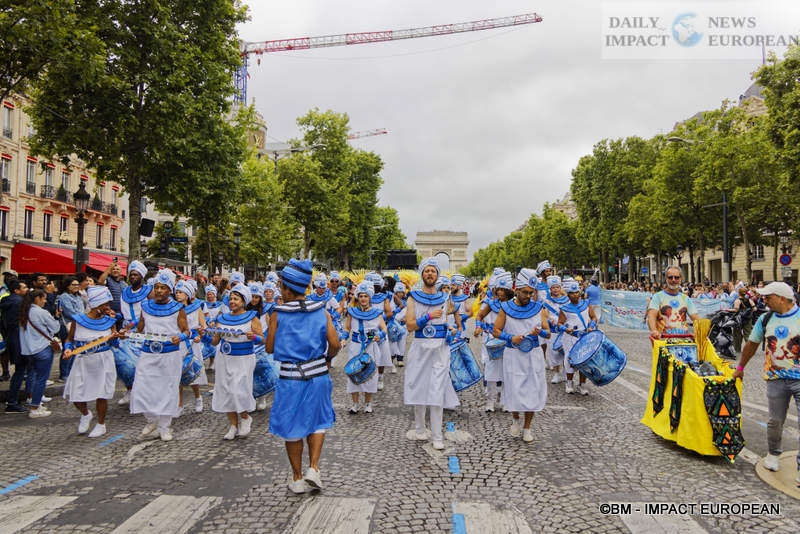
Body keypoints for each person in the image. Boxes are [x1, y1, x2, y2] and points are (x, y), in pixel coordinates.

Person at [266, 259, 341, 494]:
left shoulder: (278, 314)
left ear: (288, 288)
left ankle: (297, 478)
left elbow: (269, 348)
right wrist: (327, 360)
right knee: (318, 422)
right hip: (319, 374)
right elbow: (336, 344)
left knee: (291, 427)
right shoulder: (321, 311)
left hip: (291, 377)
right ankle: (314, 468)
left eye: (281, 286)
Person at [732, 281, 800, 482]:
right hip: (775, 379)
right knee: (775, 421)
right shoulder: (765, 319)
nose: (764, 300)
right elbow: (751, 346)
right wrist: (740, 368)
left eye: (767, 297)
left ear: (781, 298)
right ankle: (773, 453)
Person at [404, 258, 459, 450]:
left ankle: (437, 436)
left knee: (437, 390)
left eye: (433, 271)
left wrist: (451, 331)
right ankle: (420, 429)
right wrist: (428, 316)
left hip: (440, 350)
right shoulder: (412, 297)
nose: (430, 274)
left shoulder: (445, 298)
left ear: (437, 275)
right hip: (420, 347)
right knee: (419, 387)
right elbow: (409, 325)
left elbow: (449, 323)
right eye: (427, 271)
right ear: (422, 274)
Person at [130, 269, 189, 442]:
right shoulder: (145, 306)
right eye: (157, 287)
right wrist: (129, 332)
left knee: (168, 390)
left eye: (163, 288)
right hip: (148, 353)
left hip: (169, 355)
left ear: (170, 290)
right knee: (143, 387)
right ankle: (151, 420)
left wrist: (181, 337)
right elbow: (140, 327)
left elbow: (186, 331)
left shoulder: (178, 308)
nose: (159, 291)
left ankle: (164, 426)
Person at [493, 269, 549, 442]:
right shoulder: (505, 308)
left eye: (531, 293)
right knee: (513, 389)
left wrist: (540, 331)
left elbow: (547, 333)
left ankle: (527, 428)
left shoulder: (539, 308)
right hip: (513, 355)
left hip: (533, 355)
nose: (528, 296)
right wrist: (511, 338)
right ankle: (516, 419)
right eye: (525, 292)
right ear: (517, 289)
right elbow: (496, 331)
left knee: (533, 390)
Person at [61, 286, 120, 437]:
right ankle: (86, 414)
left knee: (102, 394)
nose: (107, 308)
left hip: (103, 360)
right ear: (95, 304)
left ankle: (101, 424)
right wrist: (67, 348)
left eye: (108, 304)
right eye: (104, 304)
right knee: (75, 394)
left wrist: (115, 337)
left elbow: (115, 345)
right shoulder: (78, 320)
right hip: (82, 360)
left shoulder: (110, 321)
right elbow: (70, 339)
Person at [210, 283, 259, 439]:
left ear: (243, 301)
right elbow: (215, 341)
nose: (232, 301)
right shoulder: (222, 318)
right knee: (226, 392)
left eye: (236, 299)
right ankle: (233, 426)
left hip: (244, 359)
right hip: (224, 358)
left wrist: (255, 337)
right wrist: (204, 334)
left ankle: (245, 417)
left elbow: (263, 339)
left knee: (238, 391)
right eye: (231, 299)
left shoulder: (252, 317)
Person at [343, 281, 385, 414]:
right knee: (353, 373)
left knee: (370, 375)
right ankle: (355, 404)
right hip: (355, 346)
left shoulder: (377, 312)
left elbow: (384, 328)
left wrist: (380, 335)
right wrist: (344, 339)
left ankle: (368, 403)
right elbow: (347, 327)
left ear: (369, 297)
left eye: (365, 296)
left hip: (371, 346)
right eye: (360, 296)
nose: (363, 299)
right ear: (357, 297)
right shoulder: (352, 312)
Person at [474, 270, 513, 412]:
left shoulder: (515, 305)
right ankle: (490, 401)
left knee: (507, 372)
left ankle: (505, 400)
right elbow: (479, 316)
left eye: (503, 289)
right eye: (499, 289)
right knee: (491, 372)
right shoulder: (491, 303)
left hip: (508, 341)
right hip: (493, 341)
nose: (500, 292)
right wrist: (478, 327)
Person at [19, 288, 61, 418]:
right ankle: (35, 406)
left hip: (29, 349)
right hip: (42, 348)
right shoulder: (41, 312)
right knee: (41, 379)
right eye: (43, 298)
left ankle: (33, 401)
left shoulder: (25, 312)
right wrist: (57, 317)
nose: (45, 301)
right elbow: (56, 328)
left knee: (34, 375)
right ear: (37, 298)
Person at [115, 260, 151, 405]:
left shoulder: (149, 291)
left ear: (142, 276)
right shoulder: (124, 291)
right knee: (124, 362)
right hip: (127, 331)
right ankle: (130, 390)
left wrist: (135, 324)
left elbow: (149, 311)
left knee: (142, 363)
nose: (133, 277)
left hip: (144, 330)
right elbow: (122, 312)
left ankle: (144, 392)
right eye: (131, 274)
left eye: (136, 275)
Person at [558, 280, 599, 395]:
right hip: (570, 337)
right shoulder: (564, 308)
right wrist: (565, 329)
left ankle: (582, 384)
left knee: (584, 360)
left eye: (576, 292)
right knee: (569, 359)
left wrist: (591, 326)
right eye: (572, 293)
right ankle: (569, 382)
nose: (575, 294)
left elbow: (594, 317)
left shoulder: (586, 304)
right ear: (568, 294)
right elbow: (559, 323)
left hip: (584, 335)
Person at [174, 280, 208, 414]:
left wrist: (200, 335)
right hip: (179, 343)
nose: (177, 294)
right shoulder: (173, 309)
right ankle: (179, 404)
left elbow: (203, 325)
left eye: (180, 292)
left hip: (193, 342)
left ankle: (198, 397)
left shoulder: (197, 307)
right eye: (176, 292)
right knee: (178, 375)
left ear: (187, 294)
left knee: (193, 372)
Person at [646, 266, 699, 339]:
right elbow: (651, 316)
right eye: (670, 277)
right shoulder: (657, 297)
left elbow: (696, 318)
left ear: (681, 279)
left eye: (676, 277)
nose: (673, 280)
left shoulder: (686, 299)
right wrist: (654, 330)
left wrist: (701, 332)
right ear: (666, 279)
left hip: (683, 342)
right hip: (663, 342)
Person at [1, 279, 27, 403]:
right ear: (17, 290)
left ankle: (13, 400)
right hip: (19, 340)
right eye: (24, 288)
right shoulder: (19, 303)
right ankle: (12, 401)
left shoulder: (9, 301)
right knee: (20, 371)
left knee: (20, 370)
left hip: (12, 338)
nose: (27, 289)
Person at [57, 276, 86, 382]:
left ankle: (71, 371)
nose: (76, 286)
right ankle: (64, 373)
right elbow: (70, 312)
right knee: (67, 349)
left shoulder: (78, 297)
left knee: (75, 349)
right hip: (68, 326)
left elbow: (83, 309)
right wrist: (82, 318)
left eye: (77, 284)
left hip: (79, 325)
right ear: (67, 286)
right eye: (73, 285)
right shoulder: (64, 297)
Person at [97, 260, 127, 330]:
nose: (115, 270)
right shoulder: (108, 280)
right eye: (113, 269)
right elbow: (100, 281)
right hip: (110, 313)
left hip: (122, 313)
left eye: (117, 269)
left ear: (120, 271)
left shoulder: (124, 284)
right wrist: (108, 269)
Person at [732, 286, 755, 354]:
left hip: (739, 319)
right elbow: (755, 308)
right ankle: (750, 349)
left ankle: (737, 348)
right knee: (748, 334)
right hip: (748, 319)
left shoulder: (737, 300)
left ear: (739, 293)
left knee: (737, 334)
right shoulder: (750, 300)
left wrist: (728, 309)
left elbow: (736, 310)